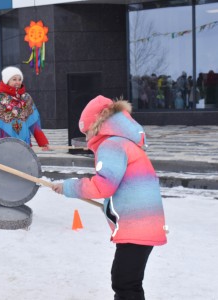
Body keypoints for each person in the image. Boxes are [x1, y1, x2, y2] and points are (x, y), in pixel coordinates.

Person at [52, 95, 167, 299]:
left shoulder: (112, 145)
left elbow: (104, 185)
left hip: (137, 225)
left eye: (86, 131)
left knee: (124, 282)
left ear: (97, 125)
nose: (86, 138)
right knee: (127, 281)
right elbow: (123, 187)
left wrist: (70, 187)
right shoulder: (123, 142)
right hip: (142, 222)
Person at [0, 66, 50, 150]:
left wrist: (42, 142)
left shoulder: (26, 98)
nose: (17, 82)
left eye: (19, 79)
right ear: (7, 81)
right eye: (14, 79)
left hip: (24, 145)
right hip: (3, 146)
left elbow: (34, 124)